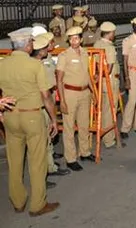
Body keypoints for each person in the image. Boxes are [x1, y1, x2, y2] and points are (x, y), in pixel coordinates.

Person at [0, 28, 60, 216]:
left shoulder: (2, 64)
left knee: (15, 161)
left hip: (10, 117)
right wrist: (54, 119)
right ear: (27, 45)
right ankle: (37, 204)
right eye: (31, 43)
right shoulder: (35, 66)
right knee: (37, 161)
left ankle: (18, 201)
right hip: (32, 116)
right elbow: (46, 96)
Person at [56, 26, 95, 171]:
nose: (74, 41)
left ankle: (85, 152)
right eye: (71, 39)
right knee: (69, 128)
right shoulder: (64, 56)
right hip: (70, 94)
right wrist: (62, 101)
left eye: (77, 38)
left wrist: (94, 93)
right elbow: (59, 80)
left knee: (84, 125)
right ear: (68, 40)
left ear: (81, 39)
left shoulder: (85, 53)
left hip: (85, 93)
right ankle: (71, 158)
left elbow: (87, 75)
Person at [32, 34, 71, 177]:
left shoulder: (46, 59)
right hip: (42, 101)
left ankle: (50, 160)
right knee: (45, 135)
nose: (51, 46)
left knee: (47, 135)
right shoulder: (36, 64)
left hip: (48, 96)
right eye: (48, 44)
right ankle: (49, 169)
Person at [94, 22, 122, 148]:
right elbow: (109, 68)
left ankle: (105, 136)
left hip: (101, 81)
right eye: (113, 33)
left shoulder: (97, 44)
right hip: (110, 81)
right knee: (111, 110)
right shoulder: (109, 47)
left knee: (104, 109)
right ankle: (109, 139)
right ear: (110, 33)